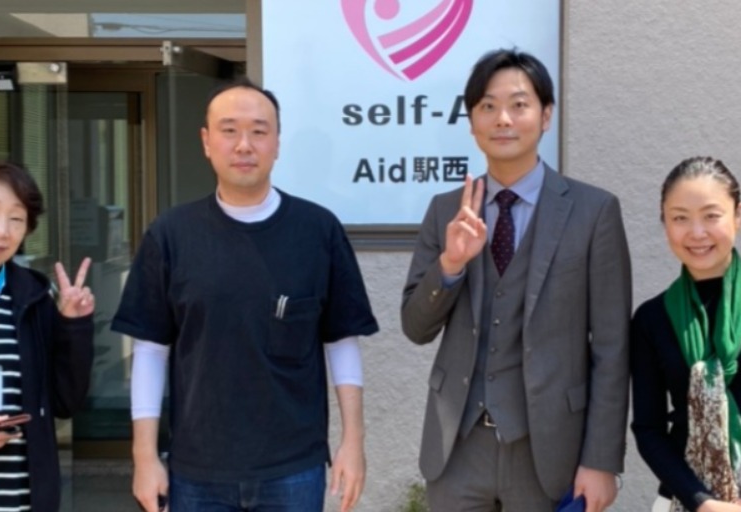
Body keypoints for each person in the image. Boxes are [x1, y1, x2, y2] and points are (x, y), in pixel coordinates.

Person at [111, 77, 378, 512]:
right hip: (197, 469)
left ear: (277, 143)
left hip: (294, 467)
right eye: (229, 130)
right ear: (206, 141)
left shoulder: (317, 230)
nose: (244, 145)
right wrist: (144, 456)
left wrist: (353, 442)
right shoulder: (171, 234)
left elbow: (342, 342)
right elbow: (150, 350)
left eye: (258, 131)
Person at [400, 48, 632, 511]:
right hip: (457, 449)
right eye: (487, 106)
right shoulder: (446, 210)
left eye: (519, 104)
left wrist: (601, 460)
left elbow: (612, 347)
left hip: (549, 450)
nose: (503, 118)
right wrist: (450, 265)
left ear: (545, 116)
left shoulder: (593, 212)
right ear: (472, 122)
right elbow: (415, 327)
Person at [0, 160, 94, 511]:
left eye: (16, 219)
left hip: (18, 500)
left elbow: (65, 402)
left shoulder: (33, 299)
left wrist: (73, 326)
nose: (1, 230)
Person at [631, 156, 741, 512]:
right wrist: (703, 502)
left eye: (711, 216)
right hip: (684, 501)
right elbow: (648, 429)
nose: (696, 233)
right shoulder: (652, 319)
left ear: (737, 215)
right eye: (680, 218)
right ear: (665, 223)